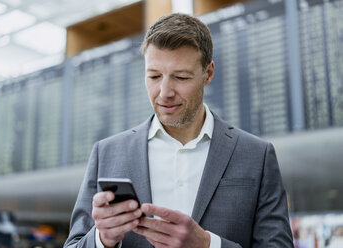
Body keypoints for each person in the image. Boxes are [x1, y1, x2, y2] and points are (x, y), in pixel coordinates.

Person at [64, 13, 293, 248]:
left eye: (181, 77)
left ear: (208, 74)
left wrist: (207, 245)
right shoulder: (107, 153)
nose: (164, 92)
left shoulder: (257, 155)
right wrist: (104, 239)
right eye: (154, 76)